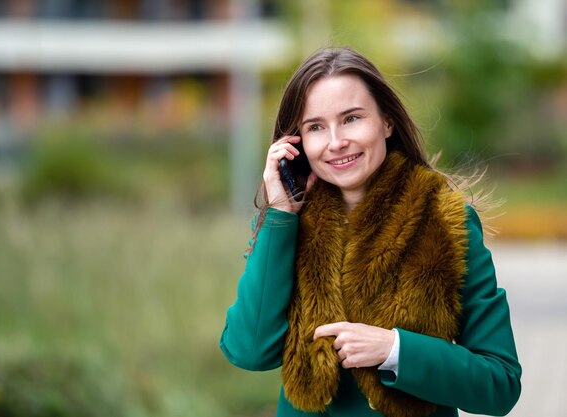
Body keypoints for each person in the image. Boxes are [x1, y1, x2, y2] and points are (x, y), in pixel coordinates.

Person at [219, 47, 521, 417]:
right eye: (315, 127)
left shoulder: (446, 220)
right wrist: (280, 214)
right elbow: (248, 352)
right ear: (296, 142)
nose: (335, 142)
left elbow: (500, 384)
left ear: (387, 122)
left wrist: (395, 350)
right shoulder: (284, 226)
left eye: (351, 118)